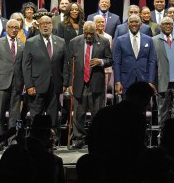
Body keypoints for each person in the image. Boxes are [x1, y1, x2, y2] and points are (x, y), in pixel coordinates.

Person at [64, 20, 112, 149]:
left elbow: (110, 60)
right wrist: (69, 83)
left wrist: (101, 62)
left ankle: (96, 140)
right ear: (83, 31)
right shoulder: (74, 42)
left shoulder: (104, 41)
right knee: (78, 114)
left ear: (95, 31)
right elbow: (68, 65)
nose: (89, 36)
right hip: (79, 83)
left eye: (91, 33)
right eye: (86, 33)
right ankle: (78, 139)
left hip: (96, 84)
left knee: (97, 114)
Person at [23, 15, 66, 129]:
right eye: (43, 24)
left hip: (55, 84)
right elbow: (26, 66)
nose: (46, 26)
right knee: (36, 115)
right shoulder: (31, 42)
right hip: (37, 85)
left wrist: (65, 83)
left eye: (48, 23)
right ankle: (36, 139)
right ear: (38, 26)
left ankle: (52, 139)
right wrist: (29, 85)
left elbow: (65, 65)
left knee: (53, 114)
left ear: (52, 25)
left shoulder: (61, 42)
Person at [0, 18, 24, 140]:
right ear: (7, 29)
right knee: (0, 114)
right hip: (1, 82)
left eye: (16, 28)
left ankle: (13, 138)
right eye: (11, 27)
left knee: (15, 113)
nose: (14, 30)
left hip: (17, 82)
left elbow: (22, 65)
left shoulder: (22, 44)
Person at [113, 14, 157, 95]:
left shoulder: (149, 40)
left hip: (144, 79)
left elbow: (152, 61)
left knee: (143, 106)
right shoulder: (120, 40)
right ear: (127, 24)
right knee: (127, 106)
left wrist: (151, 81)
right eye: (131, 22)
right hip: (125, 80)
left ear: (140, 25)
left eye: (136, 22)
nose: (134, 24)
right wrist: (117, 81)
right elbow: (116, 62)